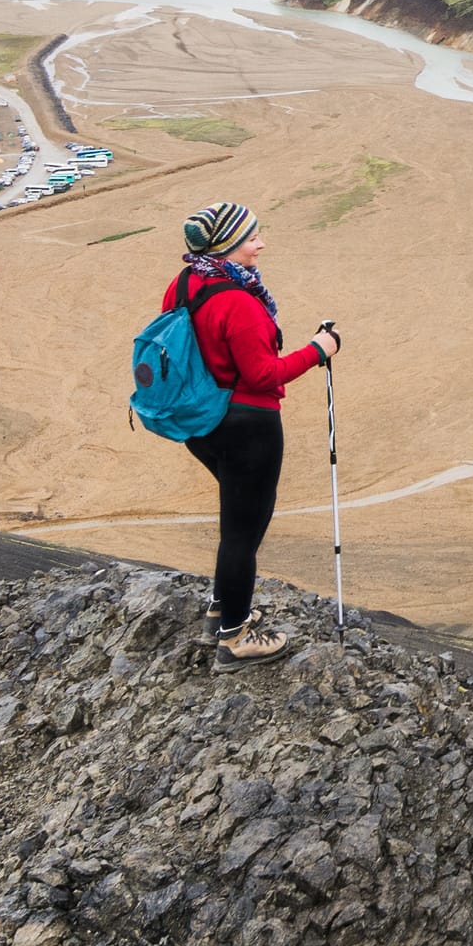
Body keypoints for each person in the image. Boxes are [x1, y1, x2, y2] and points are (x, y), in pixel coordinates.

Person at [160, 200, 339, 662]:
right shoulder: (238, 301)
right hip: (248, 426)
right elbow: (263, 375)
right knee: (245, 528)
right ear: (226, 245)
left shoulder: (185, 282)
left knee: (235, 521)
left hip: (202, 423)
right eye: (251, 237)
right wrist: (319, 349)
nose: (261, 244)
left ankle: (222, 612)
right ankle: (234, 638)